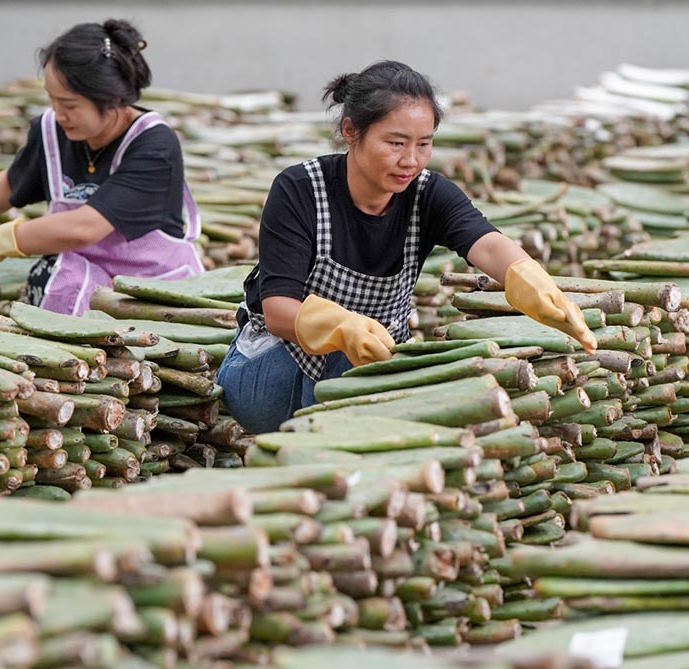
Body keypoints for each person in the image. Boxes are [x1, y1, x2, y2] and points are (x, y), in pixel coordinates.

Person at [217, 60, 596, 434]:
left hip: (371, 367)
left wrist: (527, 276)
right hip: (273, 373)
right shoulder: (300, 189)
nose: (410, 160)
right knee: (344, 360)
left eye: (424, 144)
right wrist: (341, 325)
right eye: (395, 143)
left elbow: (489, 245)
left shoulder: (428, 194)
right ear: (351, 131)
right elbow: (278, 311)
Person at [0, 19, 202, 315]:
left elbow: (84, 228)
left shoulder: (154, 145)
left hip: (154, 289)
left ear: (113, 99)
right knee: (51, 277)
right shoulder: (53, 130)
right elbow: (10, 185)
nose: (59, 114)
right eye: (52, 100)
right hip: (86, 274)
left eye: (70, 105)